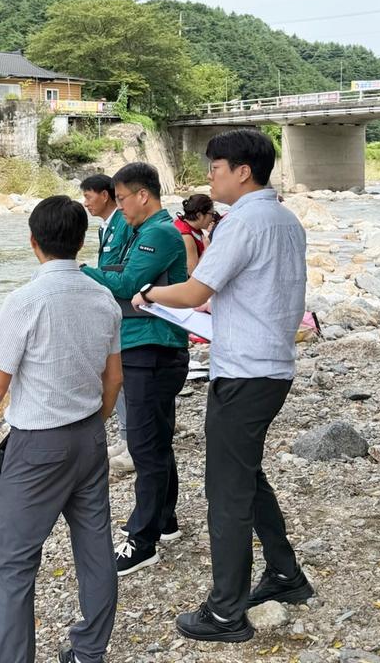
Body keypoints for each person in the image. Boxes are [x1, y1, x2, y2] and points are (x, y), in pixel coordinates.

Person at [131, 129, 314, 644]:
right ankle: (284, 575)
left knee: (226, 492)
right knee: (245, 475)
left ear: (242, 171)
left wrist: (147, 291)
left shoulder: (243, 223)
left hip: (245, 371)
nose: (209, 177)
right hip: (272, 366)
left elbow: (193, 291)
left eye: (215, 167)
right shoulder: (285, 218)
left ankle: (226, 612)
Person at [0, 195, 123, 663]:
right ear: (82, 241)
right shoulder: (103, 297)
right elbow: (115, 377)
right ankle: (89, 652)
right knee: (95, 548)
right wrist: (95, 424)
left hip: (36, 447)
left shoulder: (24, 301)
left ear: (33, 242)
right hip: (89, 437)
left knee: (17, 565)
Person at [80, 163, 189, 577]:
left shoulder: (158, 233)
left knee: (145, 446)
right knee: (156, 440)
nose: (119, 206)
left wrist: (78, 271)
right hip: (149, 348)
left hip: (152, 349)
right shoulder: (145, 232)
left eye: (122, 198)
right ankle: (165, 522)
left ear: (143, 195)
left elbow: (126, 284)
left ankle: (141, 542)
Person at [80, 174, 133, 469]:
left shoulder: (122, 224)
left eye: (88, 197)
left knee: (120, 375)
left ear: (104, 195)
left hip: (123, 308)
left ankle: (130, 441)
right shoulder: (106, 226)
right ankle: (126, 437)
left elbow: (120, 271)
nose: (86, 203)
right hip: (113, 306)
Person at [172, 194, 215, 276]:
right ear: (199, 215)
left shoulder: (182, 222)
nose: (213, 218)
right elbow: (192, 272)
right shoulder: (186, 237)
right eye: (212, 214)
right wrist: (206, 250)